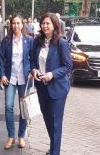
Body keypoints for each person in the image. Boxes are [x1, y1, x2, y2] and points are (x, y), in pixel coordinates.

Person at [31, 13, 72, 155]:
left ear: (55, 25)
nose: (44, 26)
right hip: (42, 87)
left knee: (55, 122)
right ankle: (54, 146)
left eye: (47, 23)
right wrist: (34, 70)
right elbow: (32, 60)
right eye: (43, 23)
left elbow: (68, 66)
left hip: (57, 89)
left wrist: (52, 74)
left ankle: (55, 152)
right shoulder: (37, 41)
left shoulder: (61, 43)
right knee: (48, 119)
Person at [0, 15, 34, 149]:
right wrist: (1, 75)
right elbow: (0, 58)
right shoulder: (6, 41)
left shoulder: (29, 40)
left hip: (24, 78)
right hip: (10, 78)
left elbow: (33, 58)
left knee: (23, 108)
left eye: (18, 23)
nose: (16, 26)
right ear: (11, 25)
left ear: (22, 25)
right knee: (8, 106)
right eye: (14, 23)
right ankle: (11, 136)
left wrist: (31, 70)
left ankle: (21, 136)